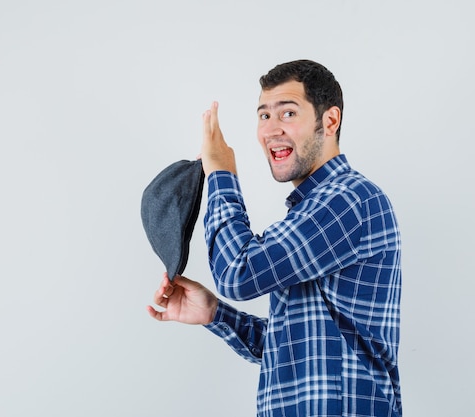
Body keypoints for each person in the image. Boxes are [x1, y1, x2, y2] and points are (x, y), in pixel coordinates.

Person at [147, 59, 402, 417]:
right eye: (264, 116)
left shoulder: (348, 200)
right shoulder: (310, 212)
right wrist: (216, 313)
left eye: (287, 113)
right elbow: (296, 348)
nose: (270, 129)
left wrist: (220, 172)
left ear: (329, 121)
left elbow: (237, 274)